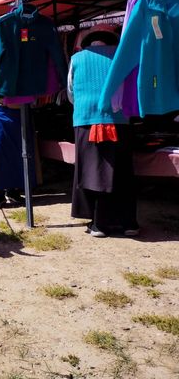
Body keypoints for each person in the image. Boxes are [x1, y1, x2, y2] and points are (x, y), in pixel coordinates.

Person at [67, 26, 139, 237]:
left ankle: (99, 224)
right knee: (122, 172)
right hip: (119, 121)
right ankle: (128, 224)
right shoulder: (122, 57)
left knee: (93, 172)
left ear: (90, 43)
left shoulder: (77, 59)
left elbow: (71, 93)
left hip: (87, 121)